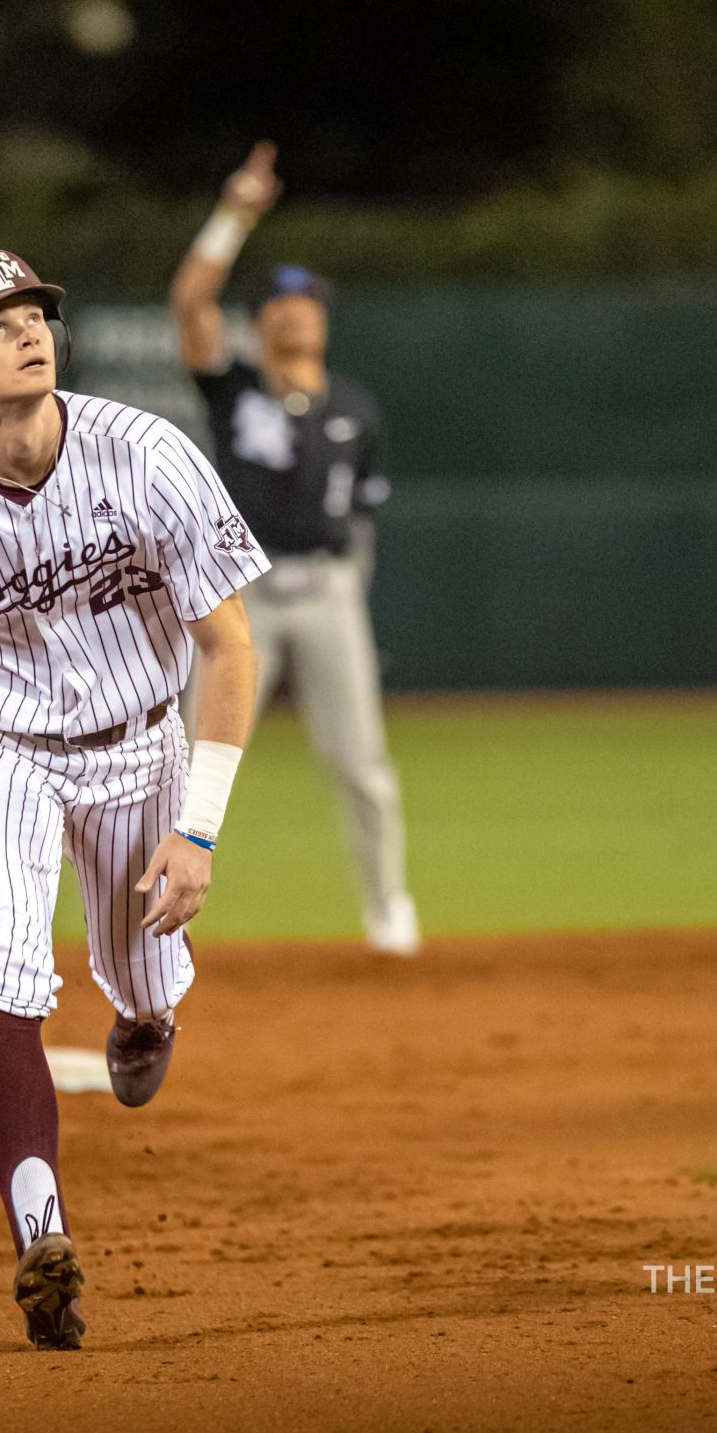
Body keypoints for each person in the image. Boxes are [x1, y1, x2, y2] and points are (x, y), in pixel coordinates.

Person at [0, 248, 265, 1351]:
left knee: (142, 970)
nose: (28, 330)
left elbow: (227, 645)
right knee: (5, 972)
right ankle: (41, 1236)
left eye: (34, 312)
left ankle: (145, 1011)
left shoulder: (146, 454)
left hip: (137, 744)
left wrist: (197, 825)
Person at [168, 142, 419, 957]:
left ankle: (388, 904)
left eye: (309, 301)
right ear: (260, 322)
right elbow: (190, 300)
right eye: (281, 301)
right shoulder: (233, 386)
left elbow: (366, 517)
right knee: (184, 760)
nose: (297, 310)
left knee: (362, 763)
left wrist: (351, 591)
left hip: (326, 591)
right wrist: (236, 212)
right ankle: (160, 918)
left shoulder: (356, 408)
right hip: (239, 593)